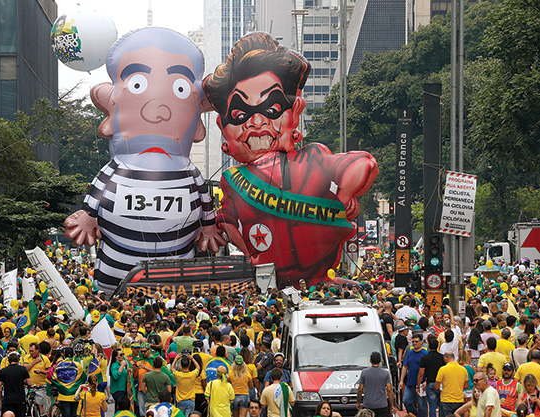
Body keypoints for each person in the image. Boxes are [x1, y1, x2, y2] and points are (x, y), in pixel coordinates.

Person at [202, 31, 378, 286]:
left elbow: (364, 163)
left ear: (295, 111)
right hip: (268, 280)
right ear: (223, 126)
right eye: (240, 114)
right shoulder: (232, 181)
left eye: (271, 109)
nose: (257, 122)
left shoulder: (313, 160)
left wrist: (344, 195)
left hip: (313, 277)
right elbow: (228, 223)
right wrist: (249, 252)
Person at [64, 27, 225, 293]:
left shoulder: (189, 173)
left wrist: (208, 228)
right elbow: (98, 190)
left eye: (181, 88)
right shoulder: (118, 167)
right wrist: (88, 218)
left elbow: (205, 201)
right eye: (137, 84)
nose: (159, 110)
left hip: (176, 266)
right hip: (118, 266)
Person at [357, 351, 396, 417]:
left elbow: (360, 389)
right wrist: (392, 405)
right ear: (380, 360)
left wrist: (358, 402)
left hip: (368, 405)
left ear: (370, 360)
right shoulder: (385, 373)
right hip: (382, 405)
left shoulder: (364, 373)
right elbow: (389, 390)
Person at [0, 351, 32, 417]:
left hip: (8, 399)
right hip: (20, 399)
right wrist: (22, 381)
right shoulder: (23, 369)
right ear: (18, 360)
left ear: (9, 360)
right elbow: (29, 383)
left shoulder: (3, 371)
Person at [400, 334, 428, 417]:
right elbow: (405, 367)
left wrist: (426, 381)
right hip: (410, 383)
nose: (414, 343)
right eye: (413, 342)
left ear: (421, 342)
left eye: (416, 341)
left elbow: (428, 369)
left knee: (422, 406)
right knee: (406, 401)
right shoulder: (409, 353)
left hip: (421, 385)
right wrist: (401, 380)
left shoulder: (425, 353)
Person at [434, 352, 468, 417]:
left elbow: (436, 386)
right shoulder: (463, 369)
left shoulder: (442, 369)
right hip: (459, 399)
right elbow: (466, 386)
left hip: (446, 399)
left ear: (445, 358)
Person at [418, 337, 445, 417]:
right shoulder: (442, 358)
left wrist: (418, 384)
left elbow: (421, 373)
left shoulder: (425, 358)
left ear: (429, 346)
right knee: (441, 405)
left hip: (430, 383)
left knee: (432, 405)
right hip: (440, 383)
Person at [23, 342, 51, 414]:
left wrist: (41, 372)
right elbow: (25, 368)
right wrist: (36, 361)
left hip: (40, 386)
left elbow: (49, 372)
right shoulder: (27, 357)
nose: (31, 353)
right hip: (29, 386)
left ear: (37, 350)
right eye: (30, 351)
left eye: (32, 351)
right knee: (25, 404)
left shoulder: (45, 359)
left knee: (40, 405)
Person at [172, 351, 201, 417]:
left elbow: (172, 368)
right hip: (191, 400)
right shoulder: (193, 374)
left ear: (181, 365)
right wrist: (192, 359)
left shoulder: (178, 374)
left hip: (180, 400)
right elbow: (198, 367)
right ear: (189, 365)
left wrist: (176, 359)